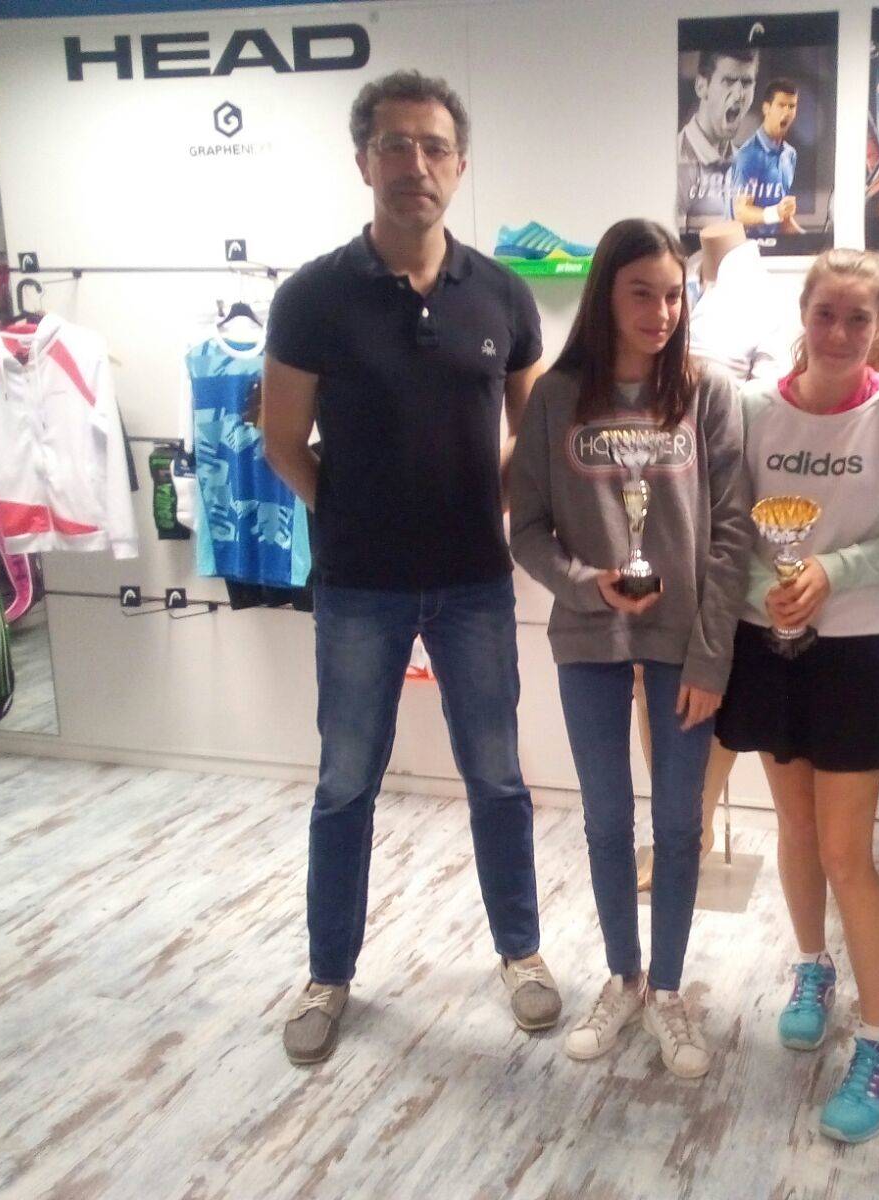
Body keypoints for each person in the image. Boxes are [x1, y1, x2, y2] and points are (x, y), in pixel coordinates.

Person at [262, 69, 558, 1066]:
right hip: (358, 587)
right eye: (394, 144)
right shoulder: (312, 297)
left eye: (434, 147)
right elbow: (282, 442)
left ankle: (520, 953)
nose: (414, 164)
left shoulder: (503, 294)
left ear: (459, 165)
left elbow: (533, 437)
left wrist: (482, 505)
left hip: (475, 582)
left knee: (498, 777)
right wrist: (350, 514)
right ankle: (328, 975)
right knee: (346, 783)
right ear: (364, 161)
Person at [718, 248, 879, 1141]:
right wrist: (765, 589)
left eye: (859, 318)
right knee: (796, 830)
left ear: (878, 325)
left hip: (856, 658)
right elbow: (726, 530)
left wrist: (836, 571)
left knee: (847, 854)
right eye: (826, 314)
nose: (841, 332)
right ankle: (813, 967)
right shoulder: (752, 410)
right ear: (803, 316)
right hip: (769, 646)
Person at [508, 218, 750, 1080]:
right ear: (605, 294)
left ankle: (670, 990)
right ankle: (623, 978)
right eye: (641, 293)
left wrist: (713, 658)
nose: (660, 312)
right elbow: (527, 530)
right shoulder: (555, 397)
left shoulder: (708, 393)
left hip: (686, 642)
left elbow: (732, 535)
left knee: (680, 823)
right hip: (589, 637)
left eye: (673, 295)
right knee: (608, 820)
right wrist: (587, 583)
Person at [676, 49, 759, 234]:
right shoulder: (676, 161)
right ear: (701, 87)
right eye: (728, 81)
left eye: (746, 83)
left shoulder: (745, 164)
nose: (739, 94)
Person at [732, 79, 803, 238]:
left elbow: (783, 220)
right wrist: (775, 213)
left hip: (777, 247)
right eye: (781, 105)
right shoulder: (748, 155)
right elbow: (741, 213)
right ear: (766, 108)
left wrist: (813, 243)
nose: (787, 112)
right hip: (746, 246)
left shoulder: (790, 155)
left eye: (792, 106)